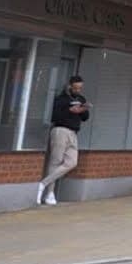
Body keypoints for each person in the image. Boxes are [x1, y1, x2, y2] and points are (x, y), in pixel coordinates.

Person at [37, 75, 89, 206]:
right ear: (70, 86)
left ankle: (43, 184)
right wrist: (69, 110)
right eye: (76, 88)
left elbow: (85, 117)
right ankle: (50, 193)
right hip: (60, 130)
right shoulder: (61, 99)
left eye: (80, 88)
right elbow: (54, 116)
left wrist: (82, 110)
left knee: (72, 162)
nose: (78, 90)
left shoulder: (81, 99)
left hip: (73, 132)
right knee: (55, 161)